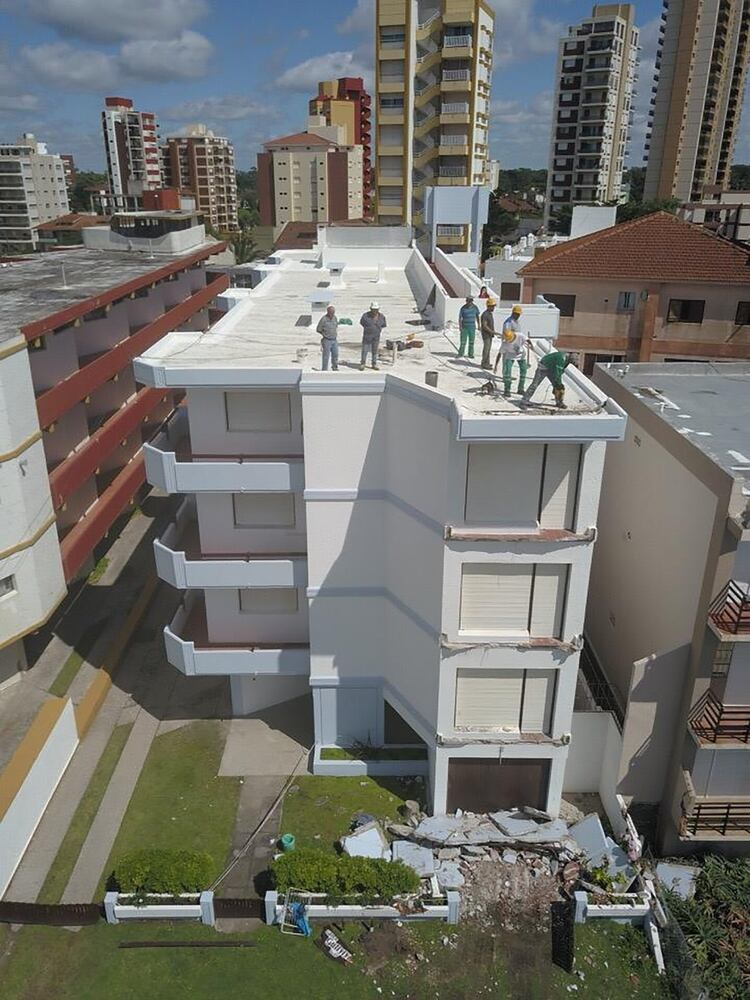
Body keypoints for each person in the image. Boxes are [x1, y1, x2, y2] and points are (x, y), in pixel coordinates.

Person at [495, 305, 527, 397]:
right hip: (509, 346)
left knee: (523, 370)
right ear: (513, 313)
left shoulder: (517, 322)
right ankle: (506, 384)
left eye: (519, 314)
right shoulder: (508, 323)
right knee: (507, 366)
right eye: (516, 314)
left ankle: (520, 388)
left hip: (518, 348)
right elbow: (506, 335)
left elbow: (521, 336)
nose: (518, 315)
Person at [359, 301, 386, 371]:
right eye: (373, 310)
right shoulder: (365, 316)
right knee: (365, 351)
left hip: (376, 337)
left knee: (375, 351)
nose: (375, 311)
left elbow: (383, 324)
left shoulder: (381, 316)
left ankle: (374, 364)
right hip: (367, 337)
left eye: (376, 310)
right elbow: (362, 323)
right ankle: (363, 363)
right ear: (371, 309)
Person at [317, 304, 339, 371]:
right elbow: (318, 329)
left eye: (333, 312)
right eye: (331, 312)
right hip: (327, 340)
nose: (332, 314)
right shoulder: (323, 319)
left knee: (335, 354)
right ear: (328, 312)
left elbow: (336, 326)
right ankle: (324, 369)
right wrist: (324, 334)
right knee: (326, 356)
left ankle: (334, 367)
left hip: (334, 340)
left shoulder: (335, 318)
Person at [480, 297, 497, 369]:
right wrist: (491, 331)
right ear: (489, 306)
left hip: (489, 334)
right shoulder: (485, 314)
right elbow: (484, 325)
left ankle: (487, 362)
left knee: (488, 349)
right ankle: (484, 363)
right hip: (486, 334)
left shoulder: (490, 314)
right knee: (486, 349)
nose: (493, 308)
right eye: (492, 306)